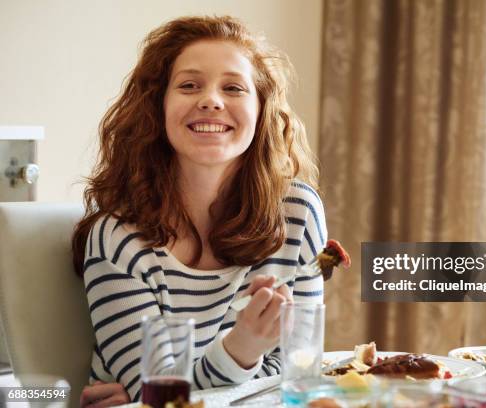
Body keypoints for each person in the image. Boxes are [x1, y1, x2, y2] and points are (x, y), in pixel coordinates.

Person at [72, 15, 326, 407]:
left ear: (261, 111)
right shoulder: (117, 239)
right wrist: (242, 350)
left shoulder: (299, 213)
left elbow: (300, 373)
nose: (211, 100)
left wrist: (171, 389)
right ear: (157, 108)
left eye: (233, 87)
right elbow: (162, 399)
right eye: (189, 85)